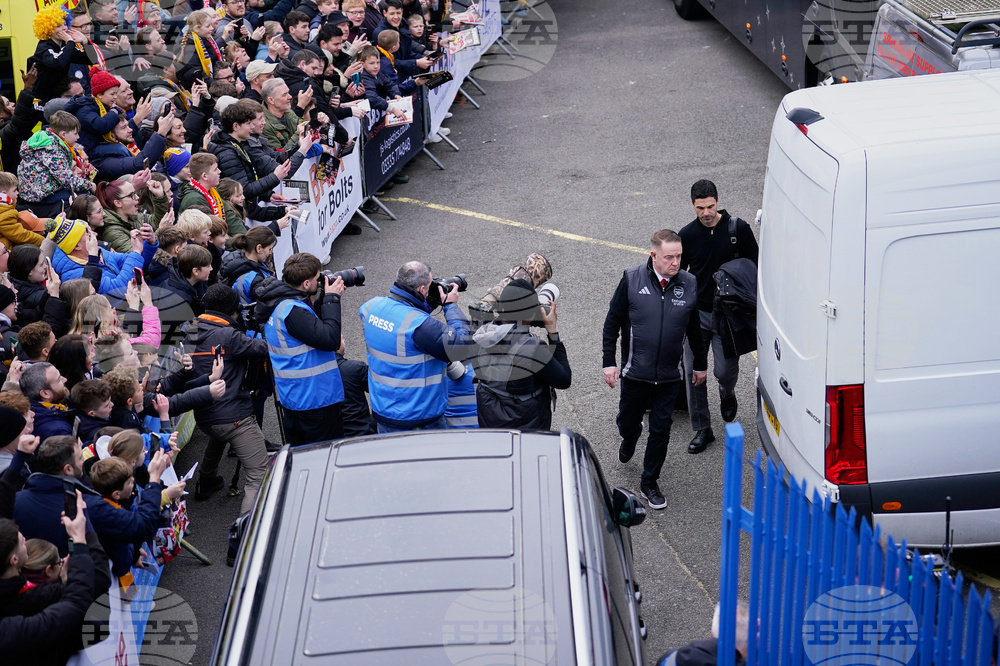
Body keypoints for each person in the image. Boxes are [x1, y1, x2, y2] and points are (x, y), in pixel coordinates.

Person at [602, 229, 707, 510]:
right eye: (669, 257)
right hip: (636, 373)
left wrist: (700, 365)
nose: (676, 263)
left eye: (679, 257)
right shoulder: (631, 279)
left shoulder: (689, 284)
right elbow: (612, 322)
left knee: (661, 429)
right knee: (627, 420)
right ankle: (630, 435)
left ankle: (649, 482)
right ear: (654, 256)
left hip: (670, 376)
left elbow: (694, 329)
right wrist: (609, 362)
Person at [679, 180, 759, 453]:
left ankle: (727, 392)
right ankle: (703, 429)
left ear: (718, 201)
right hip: (697, 315)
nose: (706, 213)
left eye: (710, 206)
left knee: (725, 371)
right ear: (693, 205)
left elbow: (755, 267)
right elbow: (680, 275)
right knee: (693, 373)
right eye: (700, 208)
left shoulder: (739, 230)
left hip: (728, 315)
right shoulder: (687, 236)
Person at [183, 284, 270, 512]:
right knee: (260, 475)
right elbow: (263, 348)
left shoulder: (188, 328)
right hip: (234, 417)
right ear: (233, 309)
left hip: (204, 414)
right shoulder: (230, 336)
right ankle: (246, 534)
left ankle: (207, 480)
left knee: (219, 431)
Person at [359, 261, 474, 432]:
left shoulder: (369, 308)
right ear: (421, 289)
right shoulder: (420, 326)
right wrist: (450, 305)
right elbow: (462, 345)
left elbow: (401, 321)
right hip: (419, 419)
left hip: (384, 413)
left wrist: (427, 301)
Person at [255, 253, 346, 445]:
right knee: (324, 459)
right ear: (305, 284)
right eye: (316, 279)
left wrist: (322, 299)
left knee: (300, 460)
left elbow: (309, 329)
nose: (319, 282)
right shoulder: (293, 312)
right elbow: (330, 339)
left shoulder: (279, 304)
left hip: (295, 398)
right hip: (315, 401)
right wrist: (332, 299)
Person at [471, 279, 571, 431]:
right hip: (526, 434)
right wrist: (552, 332)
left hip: (491, 427)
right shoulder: (531, 350)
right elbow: (564, 379)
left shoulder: (481, 337)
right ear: (530, 315)